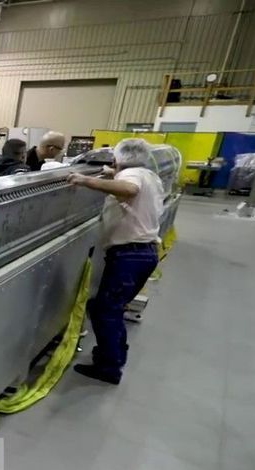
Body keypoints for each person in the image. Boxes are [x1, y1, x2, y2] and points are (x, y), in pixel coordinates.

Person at [66, 138, 164, 385]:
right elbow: (130, 185)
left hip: (129, 256)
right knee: (112, 308)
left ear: (117, 158)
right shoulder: (150, 175)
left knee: (105, 310)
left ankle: (109, 367)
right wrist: (112, 174)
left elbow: (130, 189)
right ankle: (115, 354)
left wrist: (85, 180)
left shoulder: (132, 176)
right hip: (144, 253)